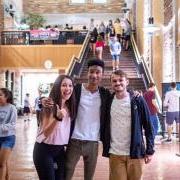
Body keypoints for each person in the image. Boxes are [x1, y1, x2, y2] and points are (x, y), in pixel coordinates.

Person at [102, 70, 155, 180]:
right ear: (111, 83)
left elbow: (148, 126)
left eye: (121, 80)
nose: (117, 83)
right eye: (114, 81)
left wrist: (150, 150)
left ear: (127, 82)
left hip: (136, 153)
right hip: (115, 153)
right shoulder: (109, 101)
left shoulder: (137, 100)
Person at [65, 59, 110, 180]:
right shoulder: (76, 90)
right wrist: (44, 100)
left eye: (98, 72)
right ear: (87, 73)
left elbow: (121, 94)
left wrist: (133, 93)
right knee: (66, 173)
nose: (94, 75)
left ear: (102, 74)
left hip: (93, 142)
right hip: (74, 140)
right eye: (91, 71)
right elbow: (61, 95)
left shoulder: (105, 94)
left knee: (89, 177)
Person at [33, 75, 76, 180]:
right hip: (44, 150)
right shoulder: (49, 105)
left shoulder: (69, 106)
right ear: (57, 87)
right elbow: (45, 133)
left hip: (60, 150)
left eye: (70, 86)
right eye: (64, 85)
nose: (68, 89)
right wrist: (57, 118)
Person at [0, 88, 17, 180]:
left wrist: (1, 127)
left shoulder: (12, 108)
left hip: (8, 138)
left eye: (0, 95)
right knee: (4, 161)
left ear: (6, 96)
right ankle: (7, 177)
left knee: (1, 163)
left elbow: (13, 125)